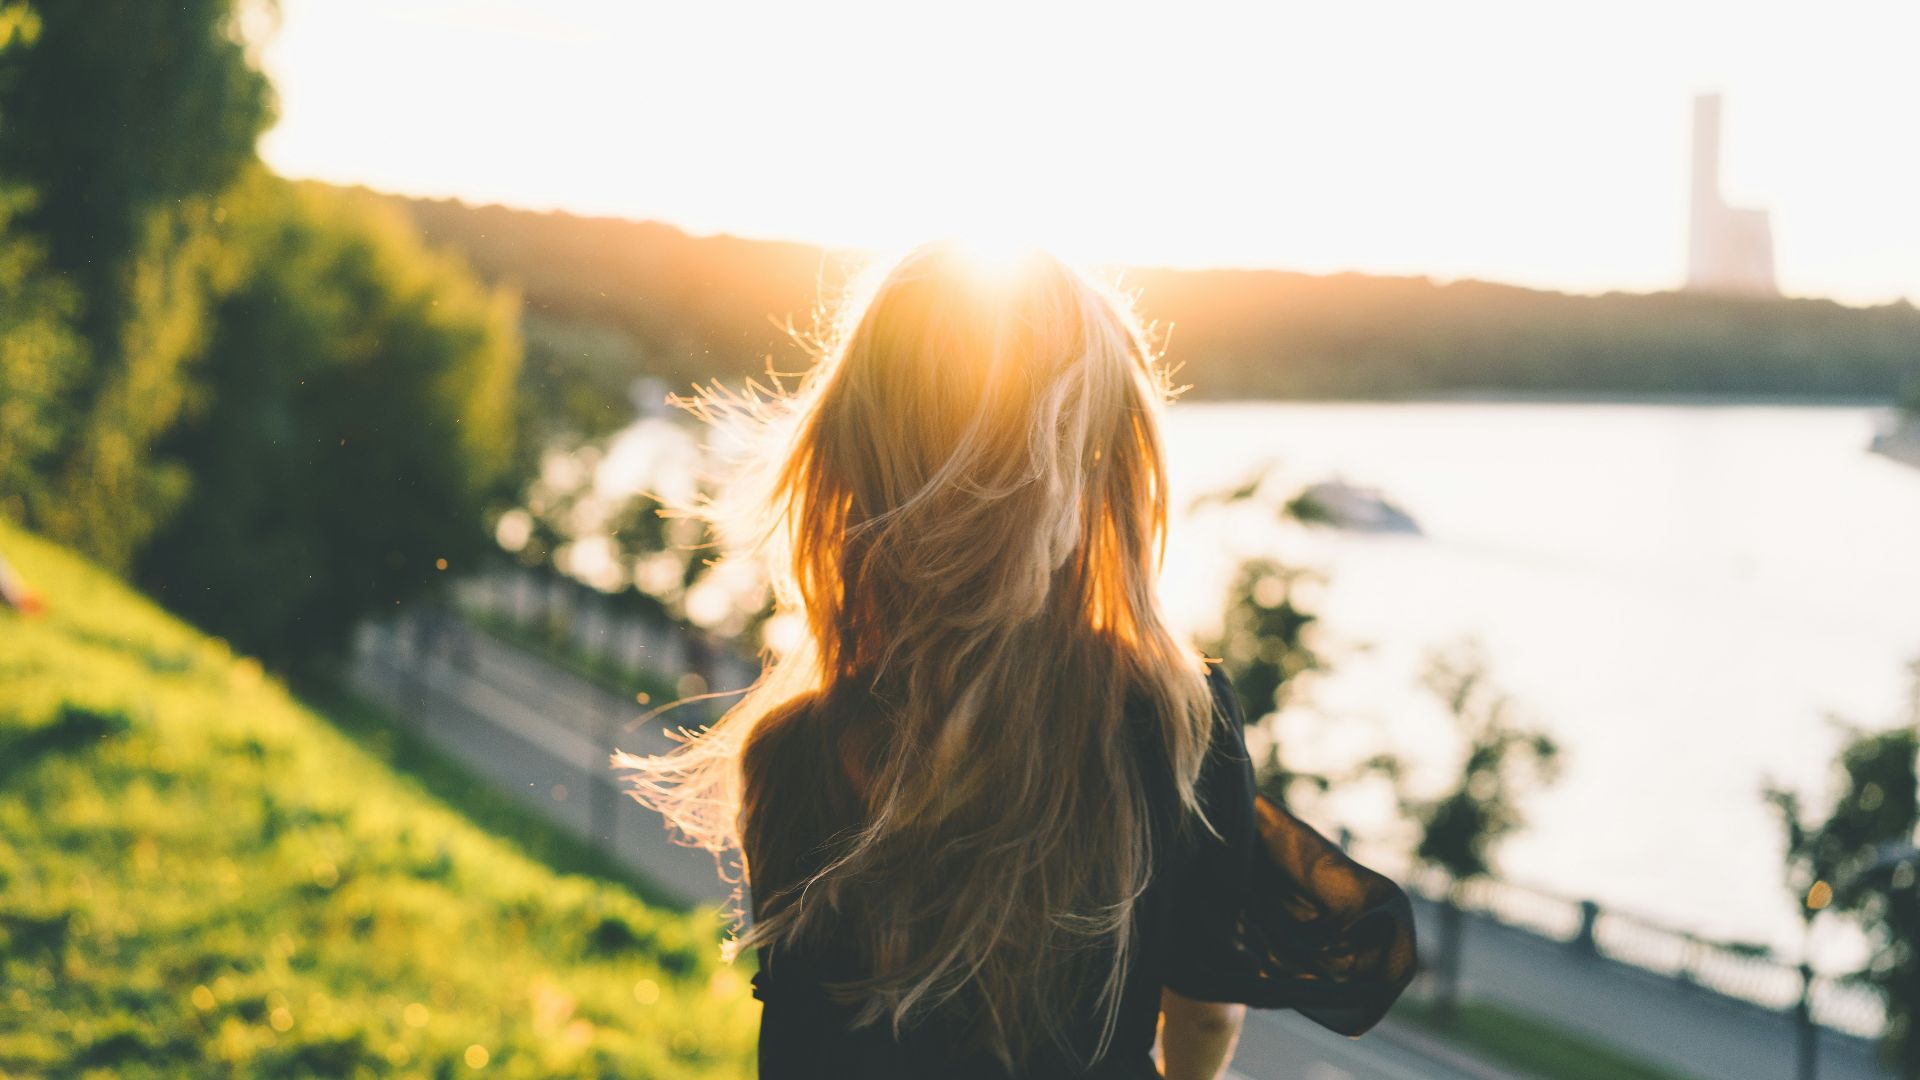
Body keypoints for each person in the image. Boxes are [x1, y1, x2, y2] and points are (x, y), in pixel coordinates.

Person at [619, 241, 1414, 1079]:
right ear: (1099, 478)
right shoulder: (1173, 724)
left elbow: (793, 1045)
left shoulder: (787, 752)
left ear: (852, 458)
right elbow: (1208, 1006)